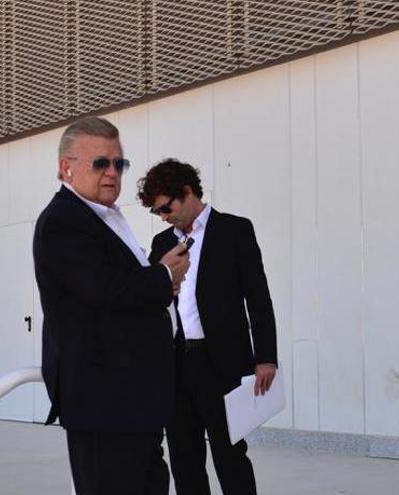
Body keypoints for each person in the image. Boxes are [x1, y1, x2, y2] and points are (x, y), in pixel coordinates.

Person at [33, 117, 191, 495]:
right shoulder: (62, 221)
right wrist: (163, 276)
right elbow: (103, 288)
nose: (112, 173)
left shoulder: (101, 218)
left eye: (119, 164)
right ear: (66, 168)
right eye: (100, 163)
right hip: (104, 404)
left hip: (133, 401)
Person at [138, 158, 278, 495]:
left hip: (220, 363)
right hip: (175, 365)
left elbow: (257, 297)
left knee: (229, 456)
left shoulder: (234, 230)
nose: (163, 216)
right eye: (157, 212)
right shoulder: (161, 244)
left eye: (166, 208)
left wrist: (266, 357)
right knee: (184, 460)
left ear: (187, 193)